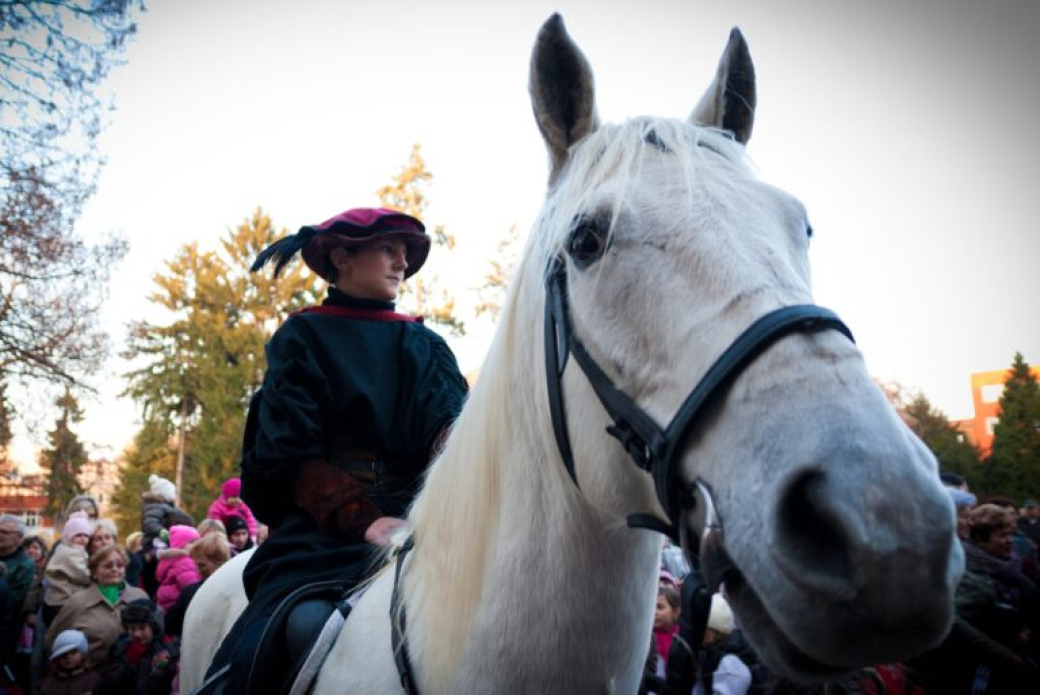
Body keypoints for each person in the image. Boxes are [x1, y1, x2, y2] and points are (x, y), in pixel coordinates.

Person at [208, 207, 469, 693]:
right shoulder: (302, 337)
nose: (401, 263)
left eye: (406, 253)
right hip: (324, 530)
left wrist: (461, 448)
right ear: (343, 257)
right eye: (388, 249)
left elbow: (447, 430)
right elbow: (291, 458)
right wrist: (362, 517)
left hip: (421, 519)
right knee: (292, 626)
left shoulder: (425, 343)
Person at [46, 545, 148, 671]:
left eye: (120, 565)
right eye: (108, 566)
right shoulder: (77, 602)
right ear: (94, 572)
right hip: (90, 680)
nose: (115, 569)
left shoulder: (140, 597)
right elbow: (53, 641)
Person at [99, 598, 177, 695]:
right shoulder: (121, 648)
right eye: (132, 628)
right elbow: (108, 686)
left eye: (142, 628)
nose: (137, 634)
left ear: (154, 627)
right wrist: (129, 663)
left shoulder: (166, 651)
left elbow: (155, 686)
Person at [164, 532, 231, 638]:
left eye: (202, 565)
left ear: (219, 562)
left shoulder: (193, 593)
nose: (197, 570)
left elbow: (170, 626)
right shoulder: (240, 588)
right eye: (196, 565)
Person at [42, 511, 94, 626]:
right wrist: (98, 575)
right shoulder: (68, 553)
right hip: (61, 602)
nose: (83, 539)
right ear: (68, 536)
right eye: (78, 535)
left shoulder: (75, 550)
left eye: (86, 536)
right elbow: (83, 575)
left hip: (63, 600)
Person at [38, 629, 102, 695]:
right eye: (63, 654)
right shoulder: (48, 684)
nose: (68, 657)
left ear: (82, 654)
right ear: (57, 658)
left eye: (73, 652)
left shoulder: (93, 680)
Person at [155, 525, 200, 612]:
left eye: (198, 541)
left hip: (170, 605)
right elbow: (191, 587)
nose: (197, 545)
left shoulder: (172, 560)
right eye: (192, 542)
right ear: (180, 545)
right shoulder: (184, 562)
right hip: (180, 607)